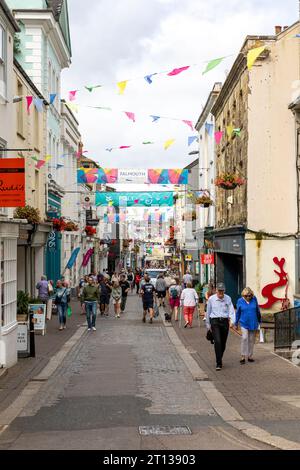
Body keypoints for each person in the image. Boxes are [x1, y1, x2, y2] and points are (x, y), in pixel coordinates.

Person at [206, 283, 235, 371]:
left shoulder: (228, 298)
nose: (220, 293)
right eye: (219, 291)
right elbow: (208, 312)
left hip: (224, 321)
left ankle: (219, 356)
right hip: (215, 321)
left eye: (222, 291)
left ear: (224, 291)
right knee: (217, 341)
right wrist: (208, 325)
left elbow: (231, 310)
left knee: (223, 343)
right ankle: (219, 363)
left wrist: (232, 321)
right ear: (216, 290)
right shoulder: (211, 299)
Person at [234, 287, 261, 364]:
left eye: (250, 295)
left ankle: (250, 356)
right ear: (244, 295)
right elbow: (238, 312)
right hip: (244, 323)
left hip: (253, 322)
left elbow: (257, 310)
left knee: (251, 340)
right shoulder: (240, 301)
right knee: (245, 338)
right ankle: (243, 356)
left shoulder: (254, 299)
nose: (248, 297)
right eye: (247, 296)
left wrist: (259, 320)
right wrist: (236, 323)